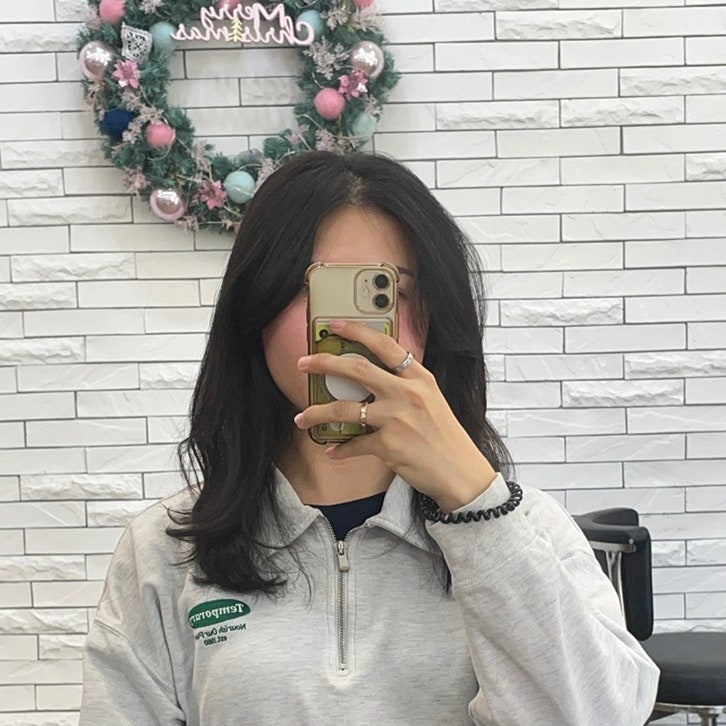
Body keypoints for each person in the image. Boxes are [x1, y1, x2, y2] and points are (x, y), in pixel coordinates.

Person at [80, 151, 659, 725]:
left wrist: (475, 505)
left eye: (386, 292)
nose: (349, 330)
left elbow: (601, 715)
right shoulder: (165, 551)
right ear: (255, 309)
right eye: (318, 288)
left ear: (433, 319)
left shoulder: (527, 529)